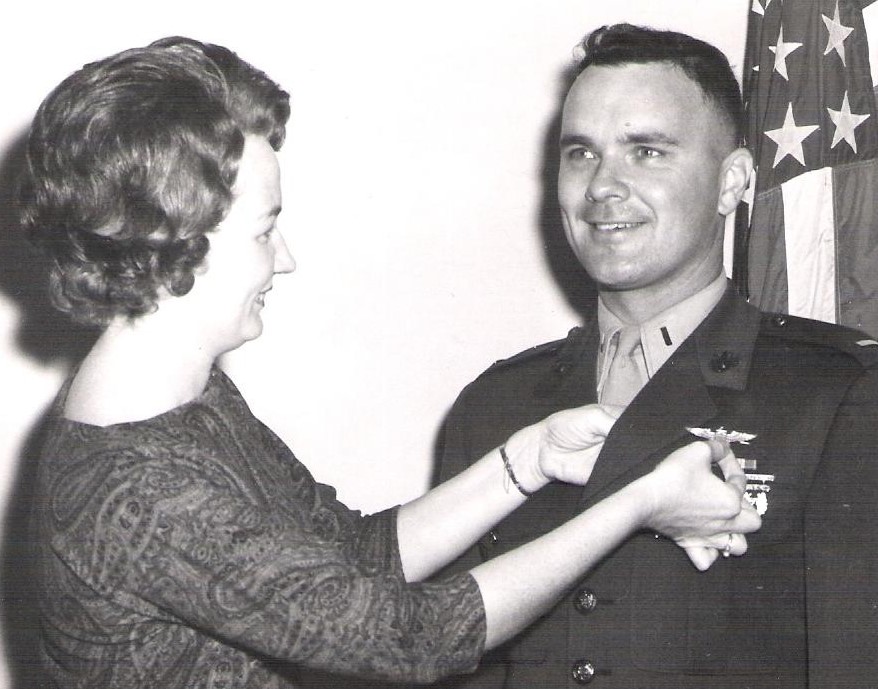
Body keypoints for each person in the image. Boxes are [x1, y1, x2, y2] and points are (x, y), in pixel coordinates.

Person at [18, 37, 760, 689]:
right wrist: (635, 502)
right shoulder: (136, 488)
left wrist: (527, 459)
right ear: (167, 241)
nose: (285, 258)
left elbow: (351, 553)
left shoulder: (184, 398)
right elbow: (411, 635)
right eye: (264, 231)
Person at [435, 23, 878, 689]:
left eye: (646, 151)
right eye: (581, 153)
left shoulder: (837, 395)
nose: (602, 186)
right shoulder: (495, 407)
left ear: (731, 182)